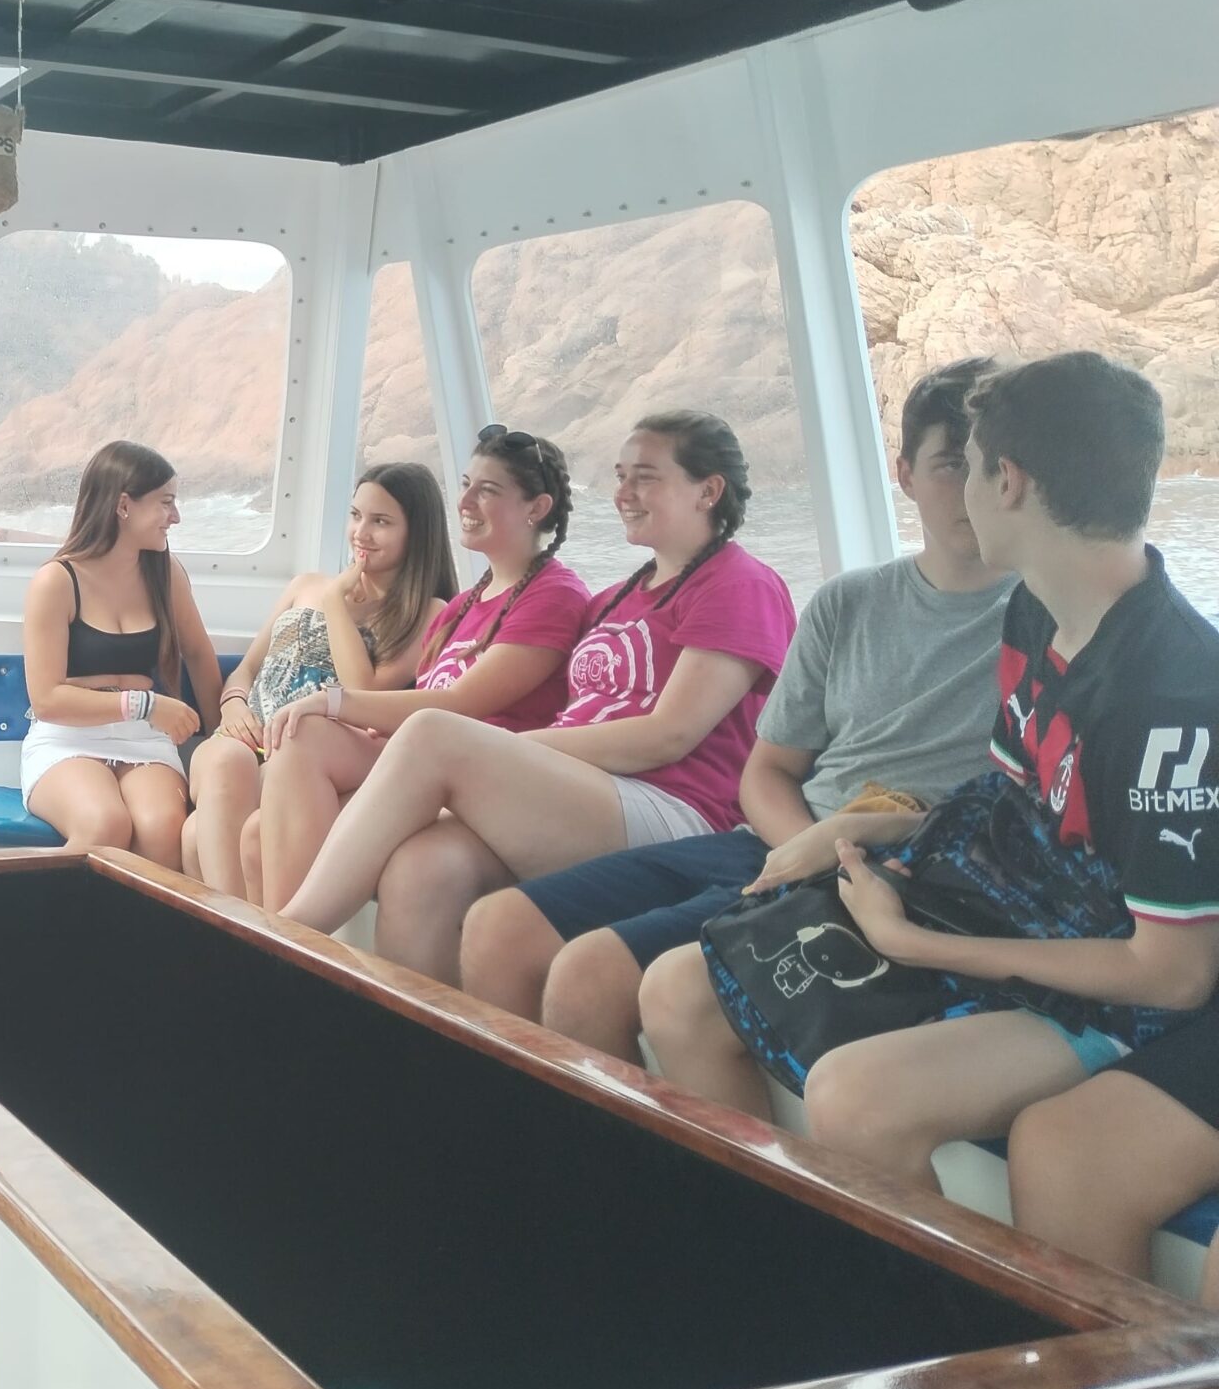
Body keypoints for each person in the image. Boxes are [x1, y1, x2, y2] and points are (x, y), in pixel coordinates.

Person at [643, 354, 1219, 1199]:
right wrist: (869, 828)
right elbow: (1014, 802)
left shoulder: (1172, 699)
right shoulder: (1036, 608)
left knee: (857, 1099)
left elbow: (1174, 974)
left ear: (1008, 482)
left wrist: (916, 944)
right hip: (1003, 904)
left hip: (1108, 985)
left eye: (970, 466)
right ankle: (770, 1240)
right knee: (678, 987)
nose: (963, 492)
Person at [462, 363, 1013, 1057]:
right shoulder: (847, 603)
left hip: (901, 868)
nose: (976, 487)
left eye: (994, 465)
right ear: (903, 475)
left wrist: (839, 858)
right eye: (951, 464)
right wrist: (808, 849)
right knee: (500, 926)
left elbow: (670, 735)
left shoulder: (1050, 620)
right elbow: (770, 771)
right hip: (777, 839)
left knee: (592, 977)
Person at [279, 412, 796, 986]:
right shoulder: (615, 598)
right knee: (421, 868)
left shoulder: (741, 584)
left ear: (708, 491)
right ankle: (410, 1039)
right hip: (587, 793)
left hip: (674, 809)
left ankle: (291, 940)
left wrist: (507, 749)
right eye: (620, 476)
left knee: (433, 733)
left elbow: (668, 734)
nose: (623, 493)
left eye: (645, 477)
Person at [251, 429, 589, 910]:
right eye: (466, 485)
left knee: (306, 737)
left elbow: (460, 705)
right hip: (419, 759)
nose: (464, 502)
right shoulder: (463, 606)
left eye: (487, 491)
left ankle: (288, 940)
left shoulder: (554, 595)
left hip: (484, 775)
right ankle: (280, 944)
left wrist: (332, 701)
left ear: (536, 508)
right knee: (261, 821)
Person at [181, 463, 454, 900]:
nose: (361, 533)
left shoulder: (428, 612)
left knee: (197, 832)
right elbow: (246, 670)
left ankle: (233, 928)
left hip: (306, 753)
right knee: (226, 765)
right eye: (356, 515)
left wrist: (335, 603)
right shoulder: (304, 585)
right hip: (243, 738)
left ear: (416, 533)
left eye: (381, 522)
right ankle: (236, 929)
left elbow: (363, 691)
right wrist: (232, 706)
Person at [15, 441, 225, 868]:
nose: (176, 517)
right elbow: (48, 700)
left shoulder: (166, 574)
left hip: (144, 739)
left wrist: (219, 741)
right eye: (166, 502)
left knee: (162, 828)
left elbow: (200, 656)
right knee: (105, 823)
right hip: (67, 739)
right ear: (124, 506)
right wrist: (145, 703)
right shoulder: (56, 581)